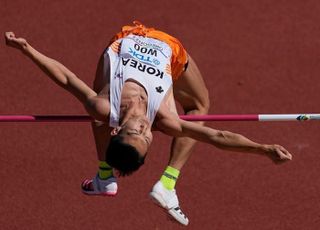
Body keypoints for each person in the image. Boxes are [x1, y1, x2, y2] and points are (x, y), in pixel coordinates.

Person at [4, 21, 292, 226]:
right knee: (199, 106)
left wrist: (28, 49)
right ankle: (167, 183)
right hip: (169, 47)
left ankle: (105, 174)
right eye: (146, 136)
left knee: (98, 110)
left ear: (120, 130)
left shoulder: (105, 105)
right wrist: (263, 149)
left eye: (135, 130)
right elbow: (217, 135)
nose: (144, 126)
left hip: (125, 40)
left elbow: (66, 79)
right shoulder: (166, 120)